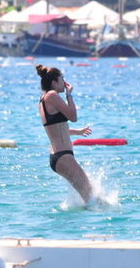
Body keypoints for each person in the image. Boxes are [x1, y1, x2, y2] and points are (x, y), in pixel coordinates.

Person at [36, 64, 94, 203]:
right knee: (91, 197)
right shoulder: (52, 95)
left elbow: (55, 128)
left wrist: (77, 132)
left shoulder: (44, 99)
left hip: (59, 157)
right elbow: (73, 117)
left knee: (88, 197)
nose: (64, 82)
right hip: (62, 156)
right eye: (62, 79)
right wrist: (69, 95)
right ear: (54, 83)